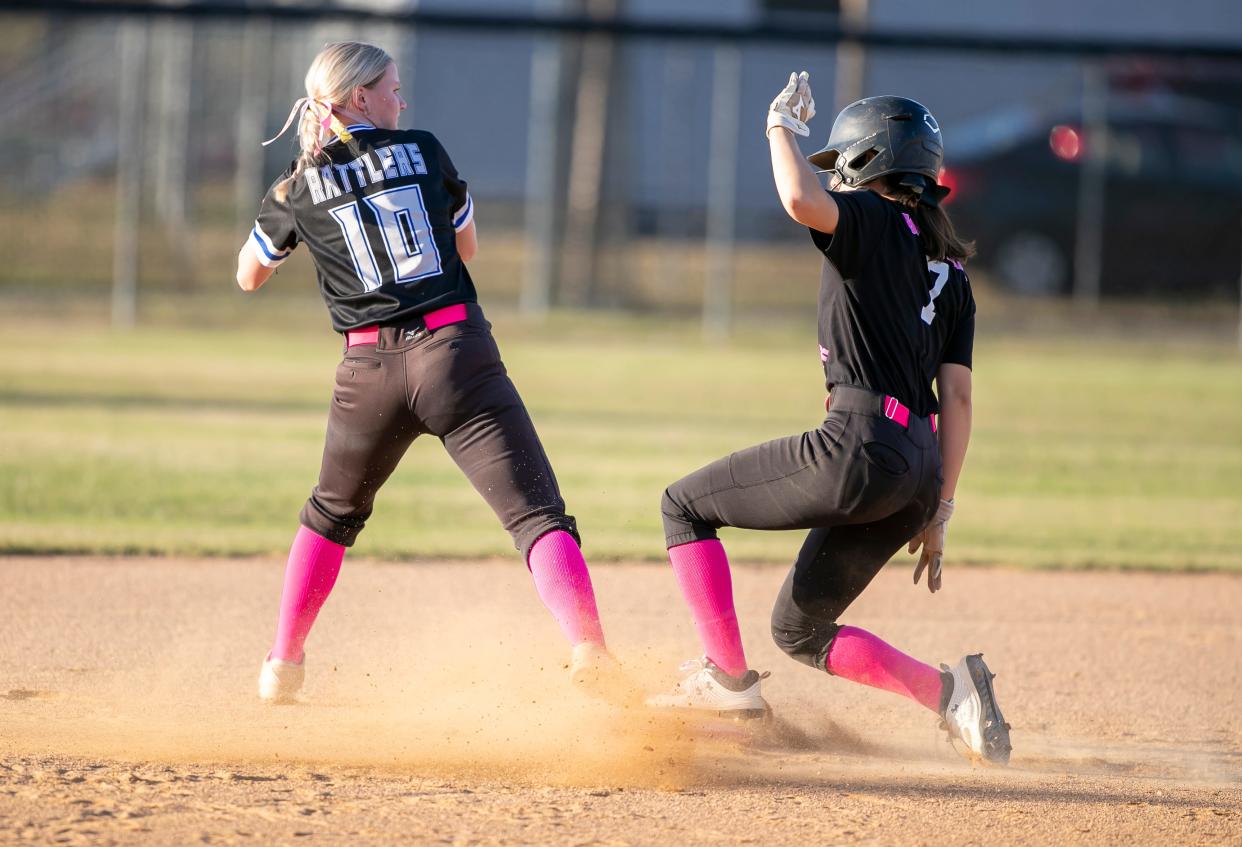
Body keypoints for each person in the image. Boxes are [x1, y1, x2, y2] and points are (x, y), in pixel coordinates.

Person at [236, 41, 623, 705]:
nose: (401, 99)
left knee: (330, 515)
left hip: (366, 371)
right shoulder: (422, 148)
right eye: (390, 87)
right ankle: (588, 646)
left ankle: (282, 663)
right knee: (536, 516)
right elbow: (468, 245)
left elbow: (248, 276)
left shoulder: (294, 185)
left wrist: (304, 202)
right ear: (360, 98)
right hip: (455, 356)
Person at [647, 72, 1011, 764]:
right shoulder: (953, 272)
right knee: (801, 629)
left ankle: (726, 681)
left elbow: (797, 198)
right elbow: (957, 397)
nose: (836, 177)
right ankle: (951, 693)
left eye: (843, 162)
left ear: (870, 160)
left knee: (682, 506)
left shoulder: (873, 220)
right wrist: (942, 506)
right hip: (918, 468)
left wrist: (777, 126)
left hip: (860, 444)